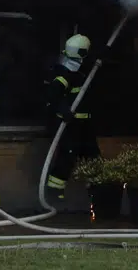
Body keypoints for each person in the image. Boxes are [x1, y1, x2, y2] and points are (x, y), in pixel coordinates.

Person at [43, 33, 101, 202]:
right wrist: (64, 110)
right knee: (66, 160)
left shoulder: (81, 73)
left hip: (84, 126)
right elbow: (52, 99)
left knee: (93, 159)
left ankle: (97, 195)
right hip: (69, 127)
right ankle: (53, 196)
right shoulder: (62, 75)